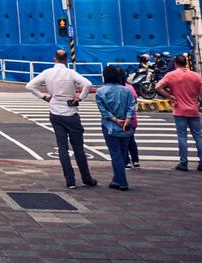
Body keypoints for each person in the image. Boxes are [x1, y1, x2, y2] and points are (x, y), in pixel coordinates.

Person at [26, 49, 97, 189]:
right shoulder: (70, 73)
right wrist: (80, 97)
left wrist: (44, 96)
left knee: (62, 147)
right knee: (78, 148)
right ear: (66, 59)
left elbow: (29, 86)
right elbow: (88, 84)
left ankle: (70, 180)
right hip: (71, 111)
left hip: (55, 112)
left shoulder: (47, 73)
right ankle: (86, 178)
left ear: (54, 59)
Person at [156, 54, 202, 172]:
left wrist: (170, 96)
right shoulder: (196, 76)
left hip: (179, 110)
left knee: (182, 136)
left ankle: (183, 163)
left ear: (175, 63)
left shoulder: (171, 75)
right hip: (194, 110)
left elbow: (158, 87)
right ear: (186, 63)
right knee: (198, 136)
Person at [94, 65, 137, 190]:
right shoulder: (127, 90)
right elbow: (131, 106)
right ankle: (116, 180)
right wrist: (127, 120)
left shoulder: (101, 91)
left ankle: (122, 182)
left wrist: (116, 120)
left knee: (115, 154)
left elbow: (103, 111)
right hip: (126, 127)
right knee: (122, 153)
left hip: (110, 126)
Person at [119, 68, 140, 169]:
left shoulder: (118, 89)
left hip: (122, 120)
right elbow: (134, 101)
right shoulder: (130, 87)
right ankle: (135, 160)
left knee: (123, 142)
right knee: (131, 140)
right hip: (132, 119)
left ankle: (126, 162)